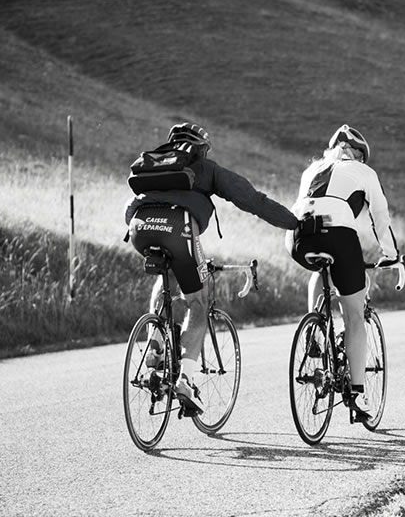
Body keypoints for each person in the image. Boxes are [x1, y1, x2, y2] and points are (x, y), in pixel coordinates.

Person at [126, 122, 297, 413]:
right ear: (202, 148)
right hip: (178, 228)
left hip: (139, 227)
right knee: (199, 300)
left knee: (166, 273)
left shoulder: (154, 163)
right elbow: (252, 199)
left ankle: (155, 342)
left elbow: (130, 206)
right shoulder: (206, 168)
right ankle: (185, 380)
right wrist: (294, 223)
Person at [287, 124, 398, 418]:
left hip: (298, 237)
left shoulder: (311, 169)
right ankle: (356, 395)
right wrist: (392, 255)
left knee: (319, 269)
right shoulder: (364, 172)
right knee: (354, 314)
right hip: (338, 237)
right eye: (362, 155)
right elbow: (380, 216)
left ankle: (315, 331)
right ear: (356, 152)